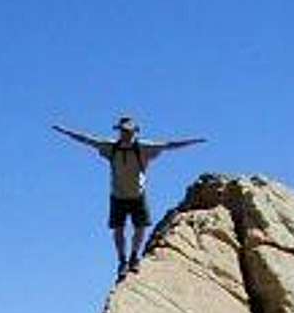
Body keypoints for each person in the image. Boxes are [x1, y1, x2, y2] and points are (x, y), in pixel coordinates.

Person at [52, 115, 206, 279]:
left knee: (140, 228)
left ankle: (134, 257)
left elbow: (168, 145)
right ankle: (122, 261)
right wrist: (65, 131)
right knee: (118, 230)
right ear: (119, 131)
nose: (126, 134)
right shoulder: (111, 147)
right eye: (123, 131)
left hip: (137, 195)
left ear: (135, 132)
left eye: (129, 131)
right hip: (118, 196)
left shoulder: (143, 148)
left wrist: (192, 141)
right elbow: (87, 140)